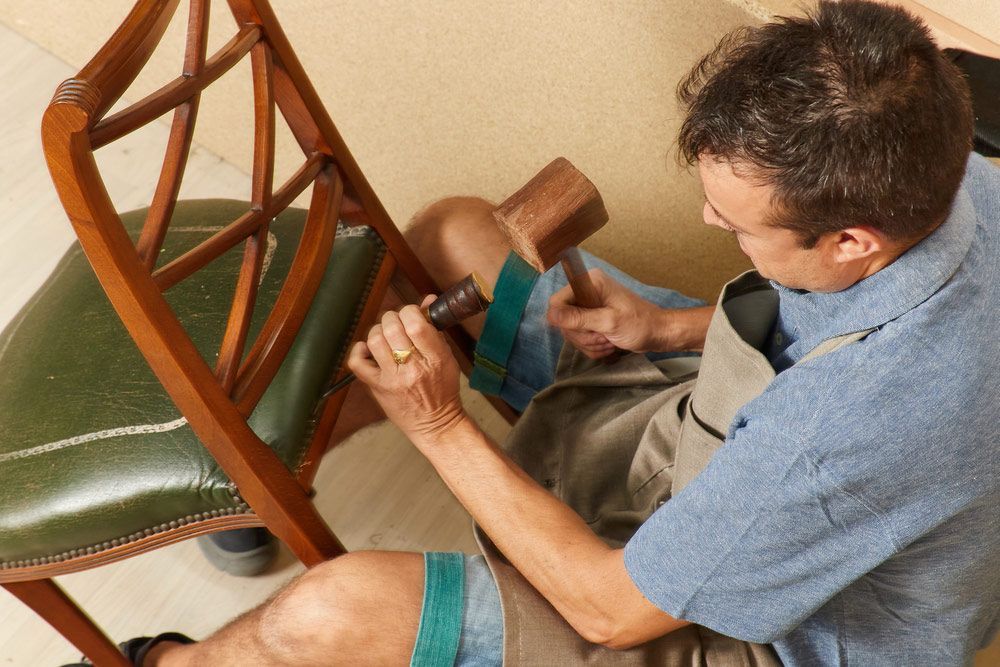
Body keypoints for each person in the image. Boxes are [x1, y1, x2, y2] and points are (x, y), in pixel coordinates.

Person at [86, 1, 999, 665]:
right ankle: (261, 472)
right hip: (733, 430)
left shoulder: (839, 435)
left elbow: (609, 611)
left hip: (771, 634)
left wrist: (438, 425)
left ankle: (172, 662)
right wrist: (670, 324)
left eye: (738, 221)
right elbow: (810, 320)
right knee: (455, 238)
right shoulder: (955, 161)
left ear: (850, 239)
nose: (714, 226)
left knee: (328, 612)